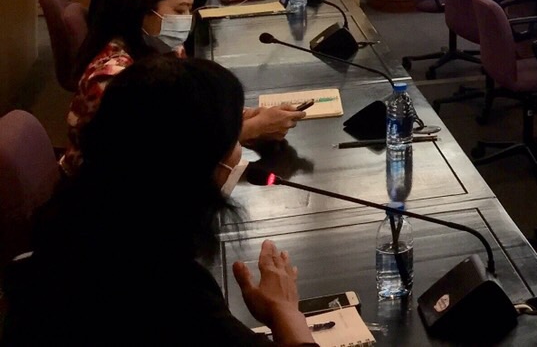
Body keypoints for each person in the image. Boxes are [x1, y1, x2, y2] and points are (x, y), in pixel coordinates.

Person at [2, 58, 317, 347]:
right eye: (233, 138)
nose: (238, 149)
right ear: (190, 170)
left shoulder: (81, 225)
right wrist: (285, 311)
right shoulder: (168, 292)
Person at [64, 0, 303, 175]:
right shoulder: (113, 78)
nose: (186, 19)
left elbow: (187, 113)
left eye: (189, 9)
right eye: (179, 10)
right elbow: (159, 154)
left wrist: (241, 116)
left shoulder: (165, 49)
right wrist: (249, 129)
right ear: (141, 10)